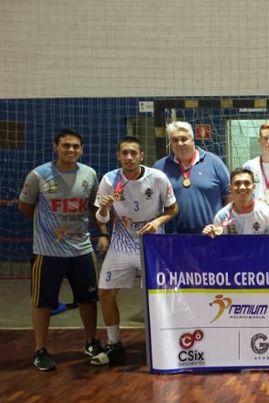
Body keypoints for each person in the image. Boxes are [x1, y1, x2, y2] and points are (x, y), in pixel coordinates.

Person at [18, 129, 103, 371]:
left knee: (88, 299)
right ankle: (40, 350)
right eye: (66, 146)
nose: (71, 150)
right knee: (43, 302)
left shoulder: (89, 174)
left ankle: (91, 341)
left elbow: (92, 206)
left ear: (82, 149)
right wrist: (47, 229)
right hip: (48, 252)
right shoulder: (39, 175)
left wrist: (103, 233)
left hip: (82, 250)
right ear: (56, 147)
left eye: (76, 146)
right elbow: (25, 206)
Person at [91, 137, 178, 365]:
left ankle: (163, 341)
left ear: (141, 155)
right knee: (106, 293)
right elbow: (101, 218)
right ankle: (114, 344)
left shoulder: (157, 177)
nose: (129, 157)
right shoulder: (110, 180)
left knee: (158, 296)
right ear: (118, 156)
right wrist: (104, 208)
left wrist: (158, 222)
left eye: (133, 153)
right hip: (121, 243)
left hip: (151, 243)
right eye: (124, 153)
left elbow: (172, 209)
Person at [154, 121, 230, 234]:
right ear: (170, 143)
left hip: (211, 235)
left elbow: (229, 198)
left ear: (192, 140)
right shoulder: (159, 168)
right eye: (175, 140)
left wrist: (223, 226)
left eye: (184, 139)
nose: (180, 144)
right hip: (174, 239)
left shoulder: (214, 162)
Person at [202, 168, 269, 237]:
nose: (242, 187)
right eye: (237, 183)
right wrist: (209, 233)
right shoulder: (221, 217)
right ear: (230, 188)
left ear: (254, 187)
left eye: (247, 183)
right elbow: (216, 245)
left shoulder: (267, 213)